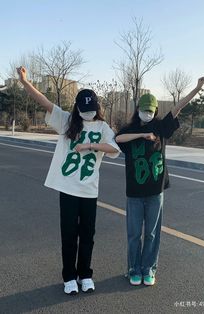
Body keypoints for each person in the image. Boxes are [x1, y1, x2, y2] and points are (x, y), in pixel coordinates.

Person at [17, 66, 120, 295]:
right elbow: (44, 102)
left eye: (91, 109)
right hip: (68, 188)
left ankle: (85, 274)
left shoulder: (102, 127)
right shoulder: (66, 121)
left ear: (97, 108)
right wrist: (25, 82)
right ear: (77, 108)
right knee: (69, 235)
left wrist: (90, 146)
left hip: (90, 190)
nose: (87, 113)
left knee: (87, 235)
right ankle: (69, 277)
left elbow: (114, 149)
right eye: (84, 110)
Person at [115, 77, 204, 286]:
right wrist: (143, 134)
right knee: (134, 234)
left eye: (150, 110)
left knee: (152, 234)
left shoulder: (161, 128)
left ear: (155, 111)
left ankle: (149, 269)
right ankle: (133, 269)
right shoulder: (129, 130)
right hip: (134, 194)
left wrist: (197, 88)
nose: (146, 113)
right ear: (137, 109)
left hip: (156, 192)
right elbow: (118, 139)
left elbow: (178, 106)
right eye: (143, 109)